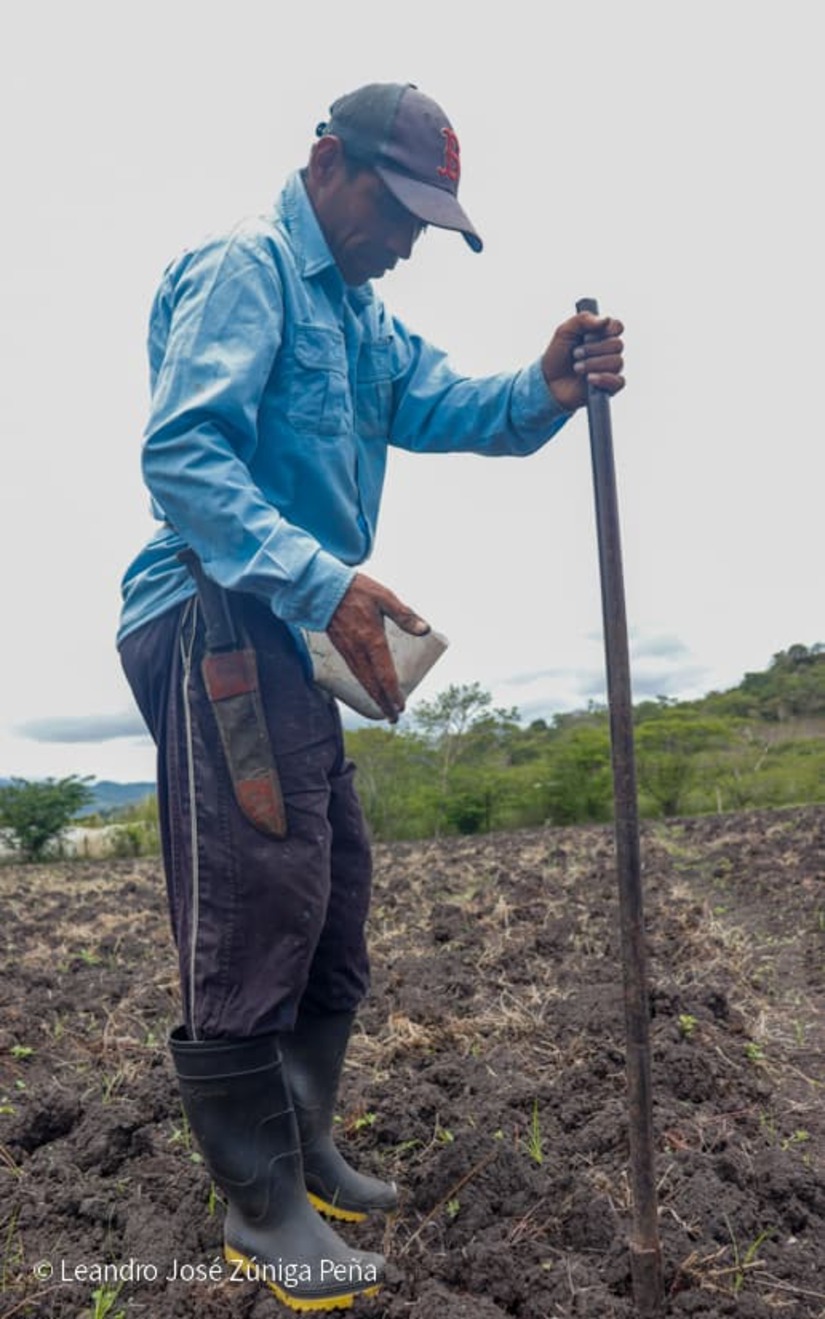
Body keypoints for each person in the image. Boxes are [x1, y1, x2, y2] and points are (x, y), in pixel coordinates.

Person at [118, 81, 624, 1311]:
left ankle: (304, 1144)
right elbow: (182, 457)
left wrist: (547, 385)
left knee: (332, 894)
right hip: (215, 617)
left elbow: (447, 404)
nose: (407, 242)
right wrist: (319, 576)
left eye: (428, 224)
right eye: (398, 210)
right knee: (257, 896)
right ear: (326, 163)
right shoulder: (252, 268)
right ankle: (260, 1205)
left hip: (293, 633)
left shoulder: (357, 314)